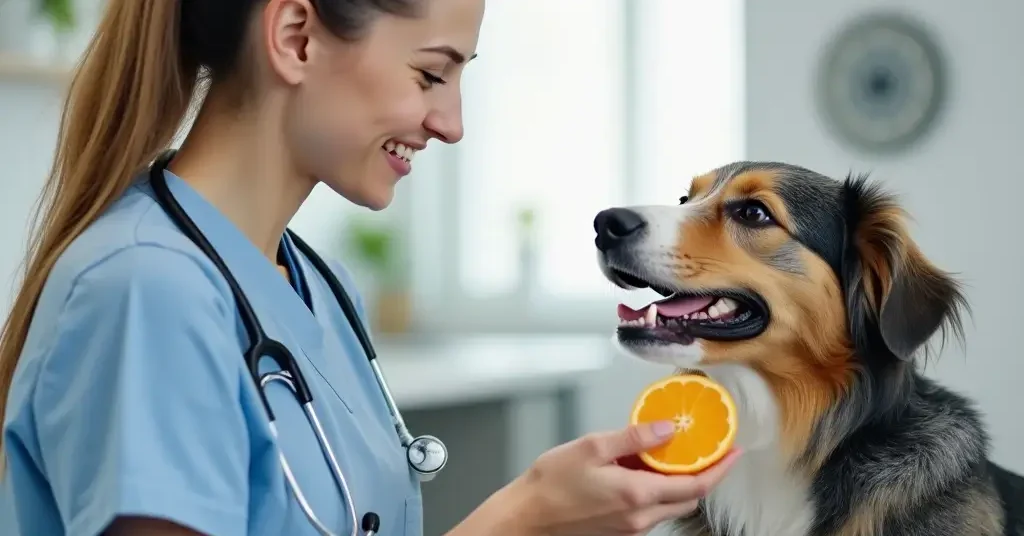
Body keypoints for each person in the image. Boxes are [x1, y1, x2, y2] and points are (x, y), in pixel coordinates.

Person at [0, 0, 741, 535]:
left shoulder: (318, 287)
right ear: (295, 37)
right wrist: (523, 517)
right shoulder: (148, 293)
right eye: (430, 75)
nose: (451, 123)